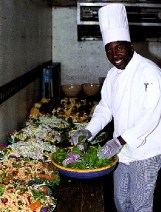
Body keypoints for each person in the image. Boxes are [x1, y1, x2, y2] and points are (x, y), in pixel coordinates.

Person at [69, 3, 161, 212]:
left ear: (130, 46)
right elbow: (105, 108)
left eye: (119, 47)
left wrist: (119, 141)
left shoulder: (149, 72)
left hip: (146, 152)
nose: (114, 55)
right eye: (108, 50)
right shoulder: (112, 75)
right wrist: (88, 131)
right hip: (122, 151)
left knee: (140, 205)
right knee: (120, 201)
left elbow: (152, 115)